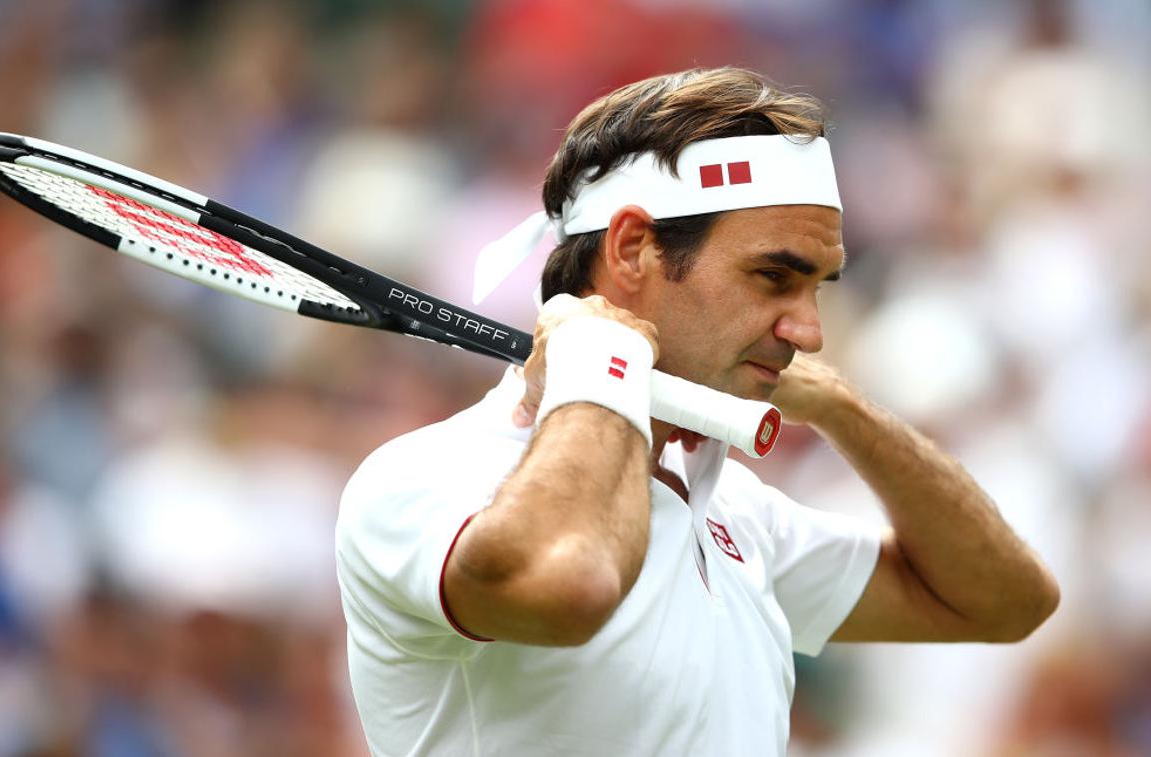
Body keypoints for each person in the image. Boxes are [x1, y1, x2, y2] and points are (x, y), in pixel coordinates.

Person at [335, 67, 1060, 756]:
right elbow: (569, 584)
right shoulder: (420, 477)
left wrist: (842, 406)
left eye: (816, 287)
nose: (809, 331)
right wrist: (601, 367)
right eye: (773, 276)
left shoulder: (737, 511)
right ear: (631, 251)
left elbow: (1005, 600)